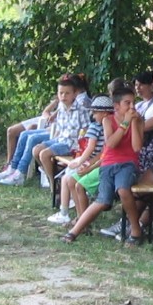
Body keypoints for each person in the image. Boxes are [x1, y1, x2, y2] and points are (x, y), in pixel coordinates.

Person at [62, 86, 145, 244]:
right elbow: (111, 143)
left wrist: (134, 123)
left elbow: (136, 147)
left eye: (134, 103)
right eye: (128, 103)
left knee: (123, 190)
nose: (132, 107)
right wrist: (125, 123)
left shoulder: (138, 120)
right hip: (108, 164)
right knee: (103, 200)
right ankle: (74, 231)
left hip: (128, 163)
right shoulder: (108, 120)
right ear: (116, 106)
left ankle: (135, 230)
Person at [0, 74, 85, 186]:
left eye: (67, 93)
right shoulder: (62, 107)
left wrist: (81, 146)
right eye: (61, 93)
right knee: (35, 149)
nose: (63, 96)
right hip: (60, 139)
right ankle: (16, 169)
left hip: (71, 144)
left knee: (40, 148)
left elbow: (85, 130)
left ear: (75, 93)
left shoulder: (80, 108)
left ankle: (52, 184)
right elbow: (54, 122)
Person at [48, 95, 115, 225]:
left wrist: (82, 163)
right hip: (94, 161)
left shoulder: (96, 127)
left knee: (72, 181)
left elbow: (92, 149)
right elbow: (101, 152)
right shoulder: (109, 128)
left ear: (104, 113)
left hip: (97, 163)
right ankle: (79, 217)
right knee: (70, 180)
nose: (93, 115)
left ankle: (80, 219)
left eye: (95, 112)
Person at [0, 97, 58, 179]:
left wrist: (54, 116)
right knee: (22, 133)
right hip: (46, 122)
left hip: (55, 129)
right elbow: (45, 112)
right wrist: (55, 104)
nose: (63, 95)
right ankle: (12, 167)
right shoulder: (62, 101)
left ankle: (20, 171)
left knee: (32, 137)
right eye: (61, 93)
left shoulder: (69, 107)